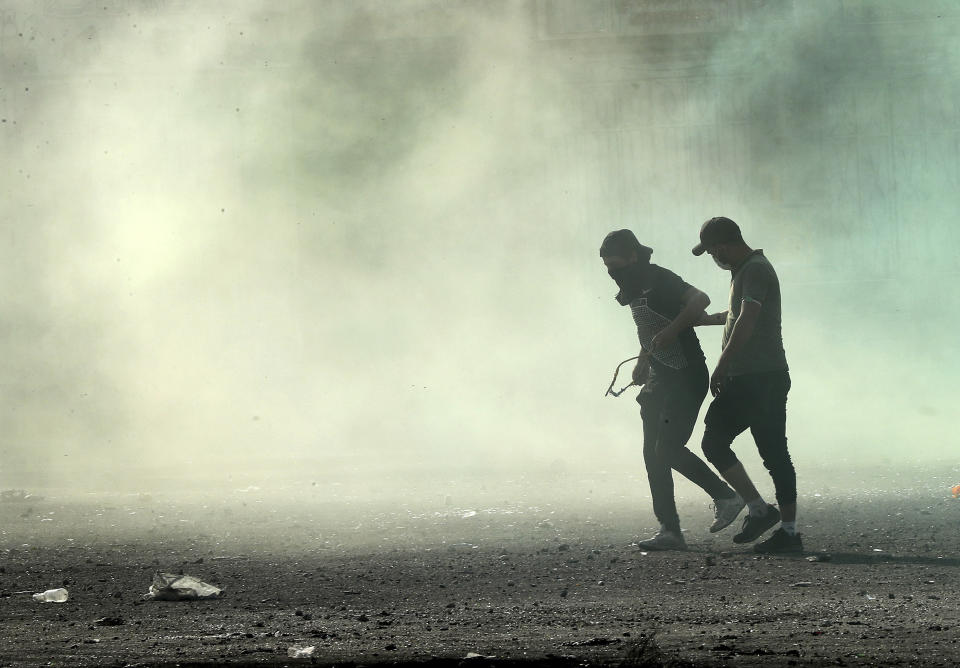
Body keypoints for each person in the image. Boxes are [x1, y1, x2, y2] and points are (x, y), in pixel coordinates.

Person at [601, 229, 744, 551]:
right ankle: (669, 530)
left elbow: (700, 301)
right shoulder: (632, 285)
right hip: (659, 377)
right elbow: (648, 327)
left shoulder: (659, 278)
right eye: (607, 266)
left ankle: (726, 496)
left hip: (685, 373)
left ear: (633, 257)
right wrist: (644, 360)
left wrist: (671, 331)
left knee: (667, 448)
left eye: (616, 264)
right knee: (652, 455)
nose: (612, 271)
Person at [691, 216, 802, 553]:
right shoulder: (745, 271)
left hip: (759, 377)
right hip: (754, 377)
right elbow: (734, 314)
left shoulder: (754, 269)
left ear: (722, 246)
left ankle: (781, 526)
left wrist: (721, 366)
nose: (713, 258)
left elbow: (747, 318)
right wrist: (702, 320)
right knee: (730, 445)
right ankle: (768, 517)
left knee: (766, 452)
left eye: (712, 251)